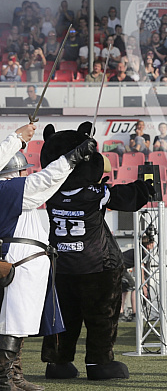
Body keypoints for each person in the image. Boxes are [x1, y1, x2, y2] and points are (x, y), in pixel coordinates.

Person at [40, 122, 153, 381]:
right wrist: (144, 188)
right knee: (102, 317)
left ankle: (57, 364)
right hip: (95, 265)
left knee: (62, 319)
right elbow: (126, 198)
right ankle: (99, 363)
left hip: (61, 267)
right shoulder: (95, 193)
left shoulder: (48, 191)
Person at [0, 124, 97, 390]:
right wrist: (72, 158)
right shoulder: (6, 190)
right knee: (12, 322)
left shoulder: (11, 192)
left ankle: (14, 376)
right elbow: (44, 182)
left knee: (19, 323)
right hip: (18, 262)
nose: (25, 174)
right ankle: (4, 378)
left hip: (26, 261)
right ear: (11, 172)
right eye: (21, 170)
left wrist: (18, 139)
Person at [121, 235, 155, 322]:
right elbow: (139, 268)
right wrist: (143, 283)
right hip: (120, 268)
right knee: (133, 288)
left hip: (119, 267)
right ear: (148, 245)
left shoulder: (139, 251)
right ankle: (134, 313)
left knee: (124, 289)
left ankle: (121, 313)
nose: (154, 245)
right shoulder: (141, 253)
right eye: (152, 243)